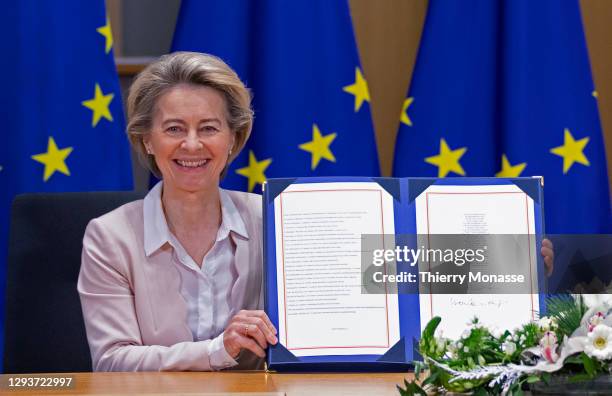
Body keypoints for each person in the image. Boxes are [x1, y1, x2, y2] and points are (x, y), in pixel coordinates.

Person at [78, 52, 277, 371]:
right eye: (174, 129)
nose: (192, 145)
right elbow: (112, 362)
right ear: (147, 141)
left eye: (209, 128)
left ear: (233, 139)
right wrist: (217, 350)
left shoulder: (275, 220)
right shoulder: (109, 236)